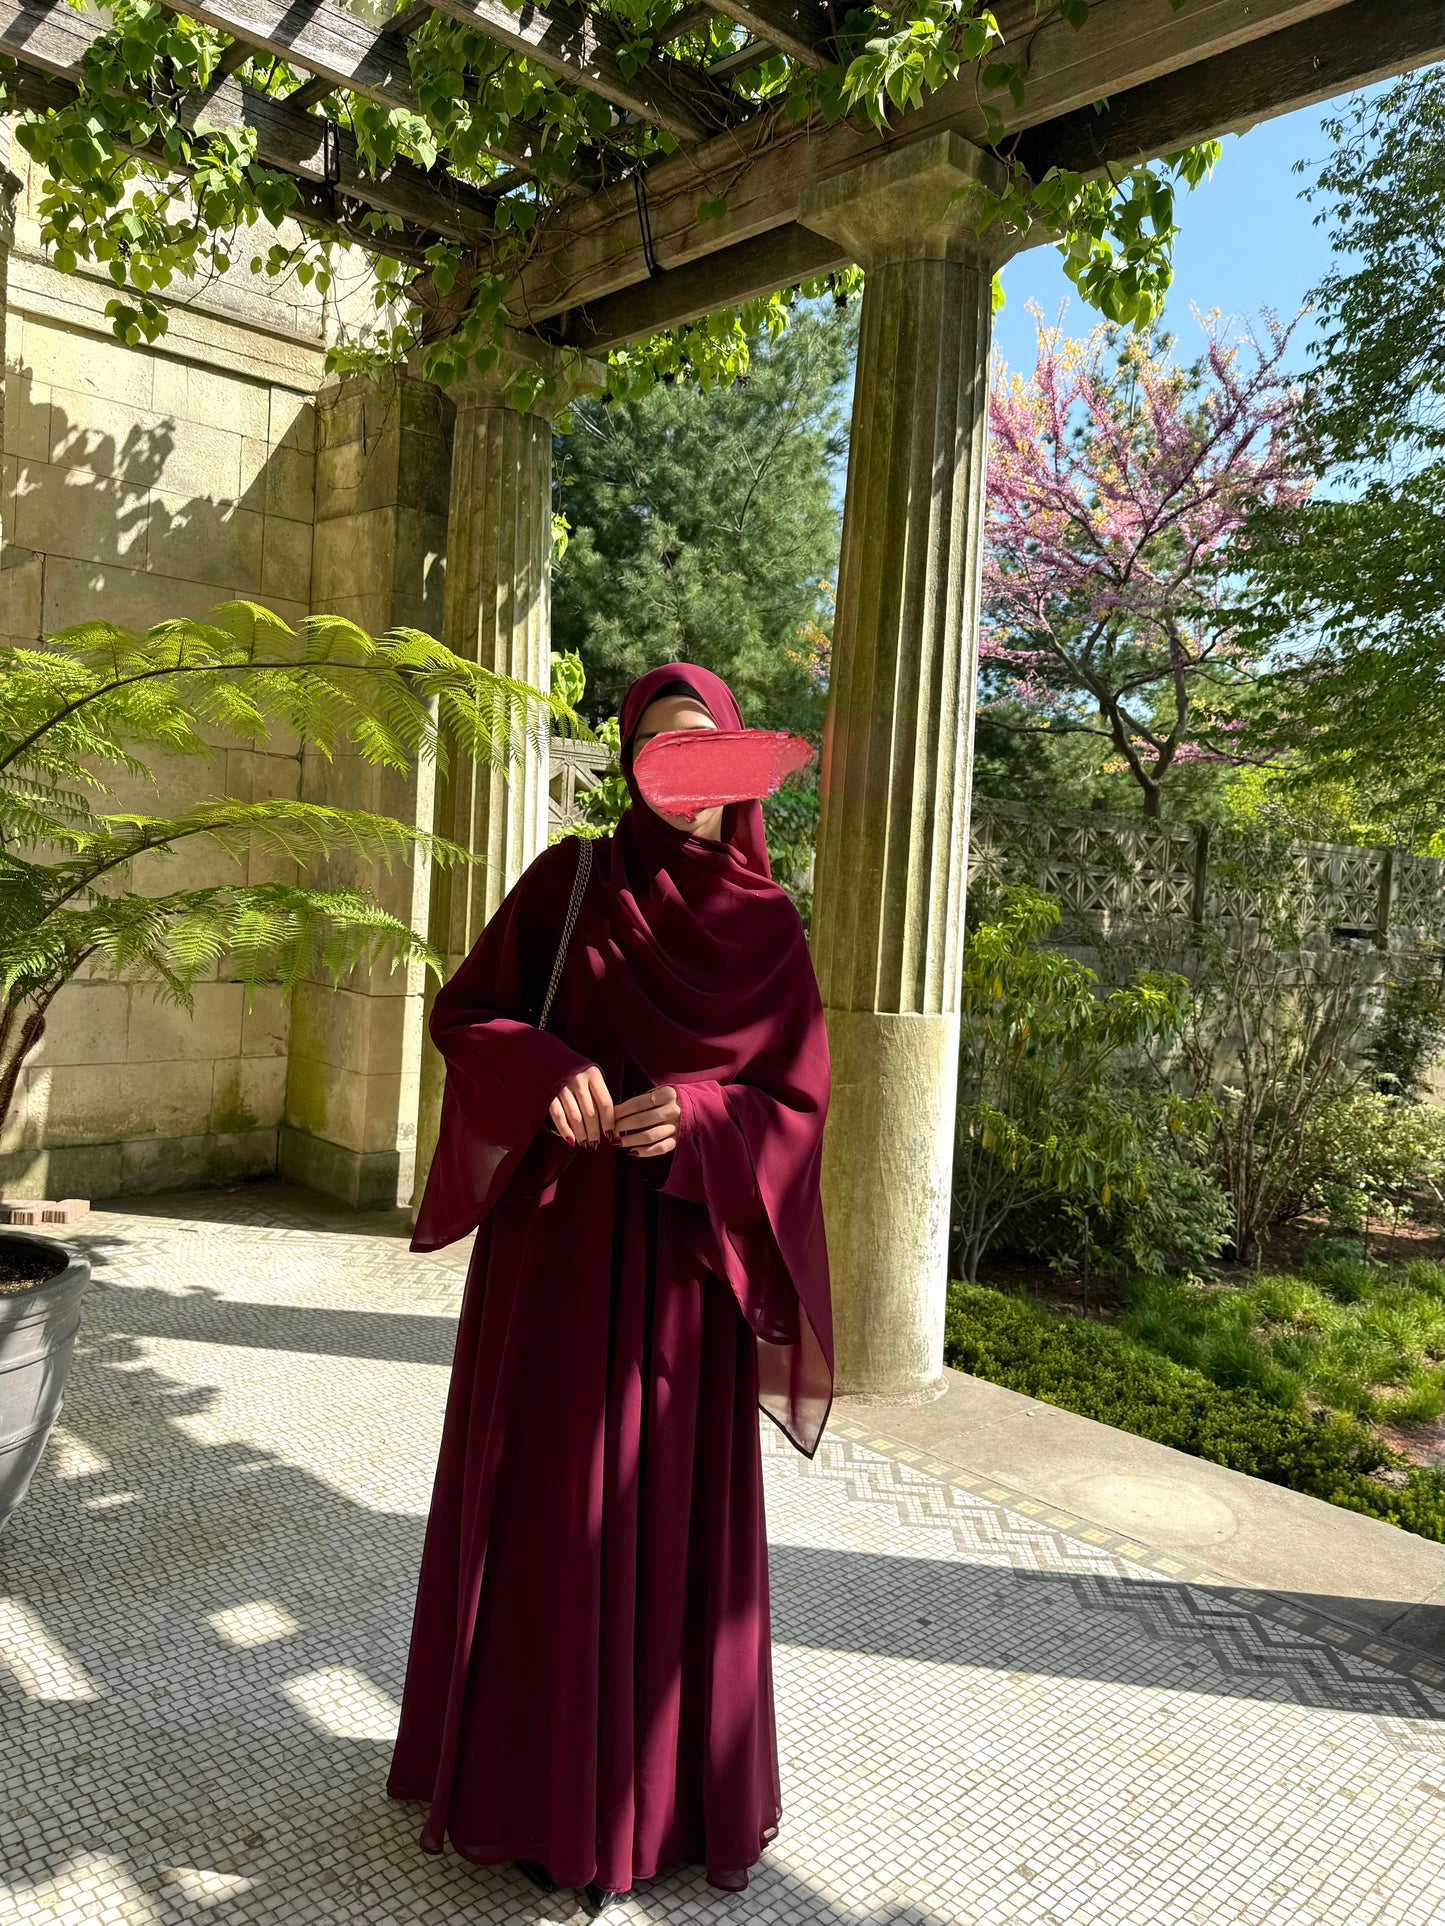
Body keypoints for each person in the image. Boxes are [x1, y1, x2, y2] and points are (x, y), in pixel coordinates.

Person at [387, 663, 834, 1912]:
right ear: (633, 760)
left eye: (707, 751)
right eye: (660, 750)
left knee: (661, 1516)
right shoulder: (568, 880)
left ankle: (671, 1801)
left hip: (683, 1269)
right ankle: (533, 1797)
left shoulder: (766, 925)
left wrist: (700, 1120)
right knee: (549, 1507)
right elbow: (467, 1013)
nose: (684, 777)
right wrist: (544, 1073)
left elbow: (796, 1103)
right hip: (560, 1253)